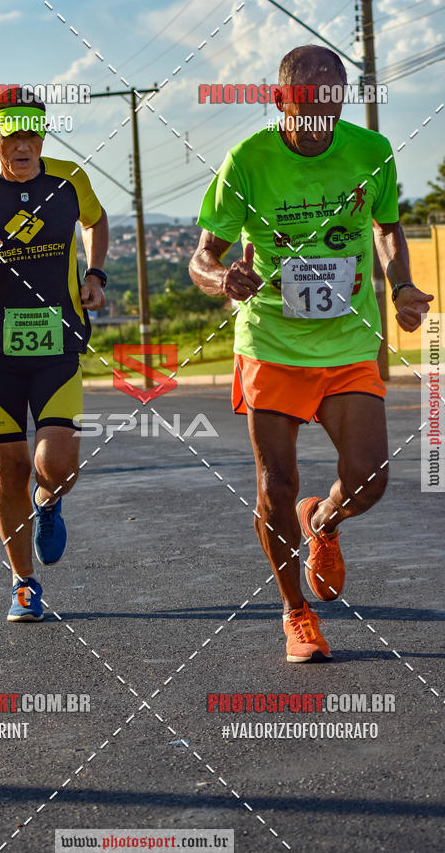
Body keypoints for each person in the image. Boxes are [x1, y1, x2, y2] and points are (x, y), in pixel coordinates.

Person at [189, 45, 433, 663]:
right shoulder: (247, 161)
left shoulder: (370, 153)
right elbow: (204, 256)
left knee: (370, 478)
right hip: (271, 342)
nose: (321, 119)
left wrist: (400, 284)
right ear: (280, 102)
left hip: (348, 340)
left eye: (332, 103)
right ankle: (296, 612)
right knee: (276, 482)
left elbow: (385, 227)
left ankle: (322, 521)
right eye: (307, 106)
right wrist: (222, 281)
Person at [0, 89, 108, 622]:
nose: (24, 145)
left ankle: (49, 501)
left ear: (43, 135)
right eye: (13, 136)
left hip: (59, 341)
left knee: (57, 463)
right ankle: (23, 583)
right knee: (8, 467)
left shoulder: (70, 179)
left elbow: (97, 222)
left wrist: (94, 275)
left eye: (33, 134)